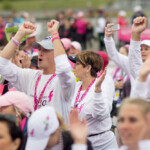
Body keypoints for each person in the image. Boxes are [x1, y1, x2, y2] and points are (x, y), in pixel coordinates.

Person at [0, 21, 76, 123]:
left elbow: (63, 68)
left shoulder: (64, 80)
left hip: (57, 137)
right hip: (34, 136)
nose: (40, 53)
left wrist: (54, 34)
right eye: (39, 49)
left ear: (56, 54)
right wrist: (20, 34)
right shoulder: (30, 75)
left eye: (45, 50)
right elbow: (2, 64)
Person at [69, 50, 117, 150]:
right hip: (81, 142)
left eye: (77, 64)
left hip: (103, 144)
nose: (74, 67)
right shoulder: (76, 87)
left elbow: (101, 114)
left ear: (88, 68)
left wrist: (97, 90)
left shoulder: (103, 85)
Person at [25, 106, 93, 150]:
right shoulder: (27, 140)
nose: (44, 147)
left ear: (56, 130)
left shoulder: (78, 142)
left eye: (45, 142)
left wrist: (79, 143)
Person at [128, 17, 150, 100]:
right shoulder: (141, 70)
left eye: (146, 49)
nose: (142, 52)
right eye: (140, 49)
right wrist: (135, 34)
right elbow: (135, 61)